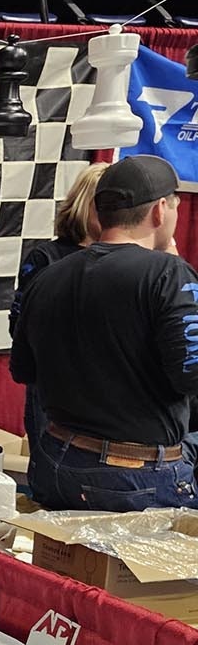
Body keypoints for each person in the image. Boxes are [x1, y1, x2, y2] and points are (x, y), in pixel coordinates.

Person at [11, 154, 198, 511]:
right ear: (160, 210)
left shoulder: (48, 275)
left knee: (58, 569)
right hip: (136, 475)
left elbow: (23, 369)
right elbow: (191, 375)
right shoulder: (169, 275)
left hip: (56, 463)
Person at [11, 162, 109, 444]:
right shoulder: (46, 258)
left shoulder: (128, 260)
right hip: (53, 391)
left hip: (106, 395)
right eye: (104, 204)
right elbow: (20, 328)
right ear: (84, 203)